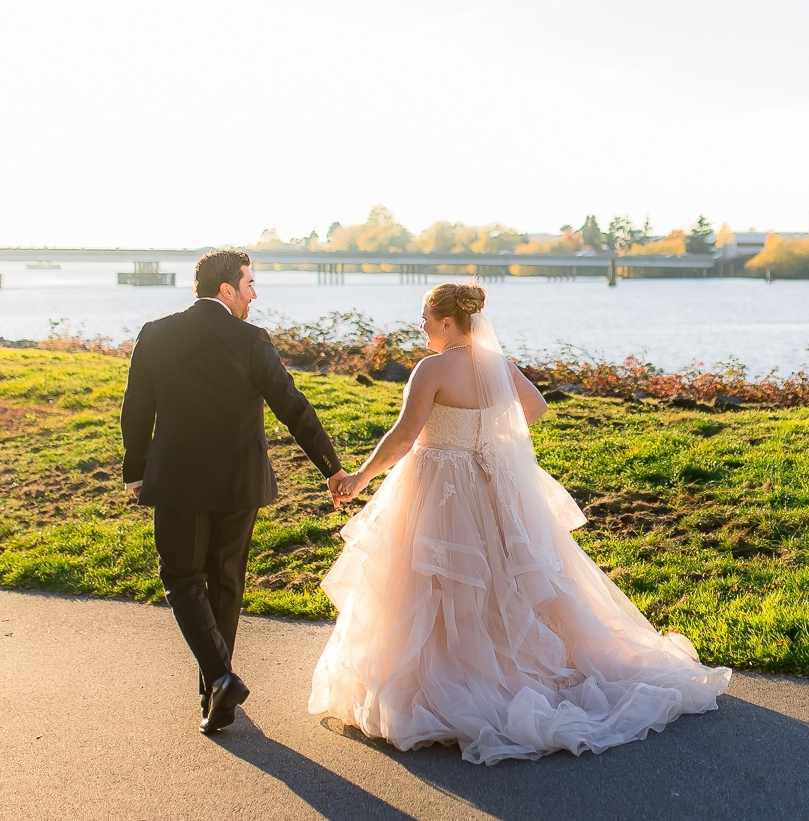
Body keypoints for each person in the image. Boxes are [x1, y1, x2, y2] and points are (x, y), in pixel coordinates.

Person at [309, 283, 729, 763]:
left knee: (438, 581)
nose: (421, 324)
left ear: (448, 322)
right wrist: (492, 439)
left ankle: (454, 677)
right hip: (490, 482)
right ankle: (510, 664)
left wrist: (361, 477)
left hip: (439, 488)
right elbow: (535, 407)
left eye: (426, 316)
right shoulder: (499, 365)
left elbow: (405, 434)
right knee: (499, 576)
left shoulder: (433, 369)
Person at [122, 249, 343, 733]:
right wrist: (329, 465)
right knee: (224, 584)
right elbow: (292, 405)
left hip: (176, 480)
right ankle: (215, 691)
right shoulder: (250, 339)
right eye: (248, 284)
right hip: (238, 482)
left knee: (181, 580)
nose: (253, 293)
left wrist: (135, 471)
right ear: (226, 290)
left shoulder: (155, 334)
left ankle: (219, 683)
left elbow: (136, 407)